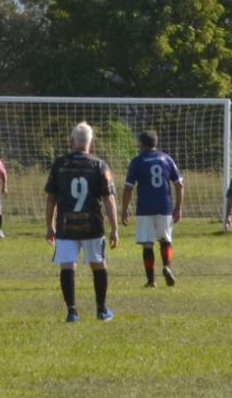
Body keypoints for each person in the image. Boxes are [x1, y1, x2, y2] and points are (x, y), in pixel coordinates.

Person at [45, 122, 119, 323]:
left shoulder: (60, 164)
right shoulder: (99, 165)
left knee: (67, 265)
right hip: (92, 224)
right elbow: (109, 199)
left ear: (72, 141)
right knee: (98, 264)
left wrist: (49, 226)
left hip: (66, 224)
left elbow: (51, 198)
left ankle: (72, 312)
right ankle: (101, 310)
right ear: (91, 142)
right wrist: (114, 228)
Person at [122, 131, 184, 288]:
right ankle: (167, 267)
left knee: (147, 244)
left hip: (145, 208)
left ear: (142, 144)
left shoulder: (137, 161)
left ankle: (151, 281)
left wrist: (124, 209)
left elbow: (128, 188)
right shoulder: (166, 158)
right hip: (165, 206)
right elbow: (179, 184)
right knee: (165, 240)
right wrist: (178, 208)